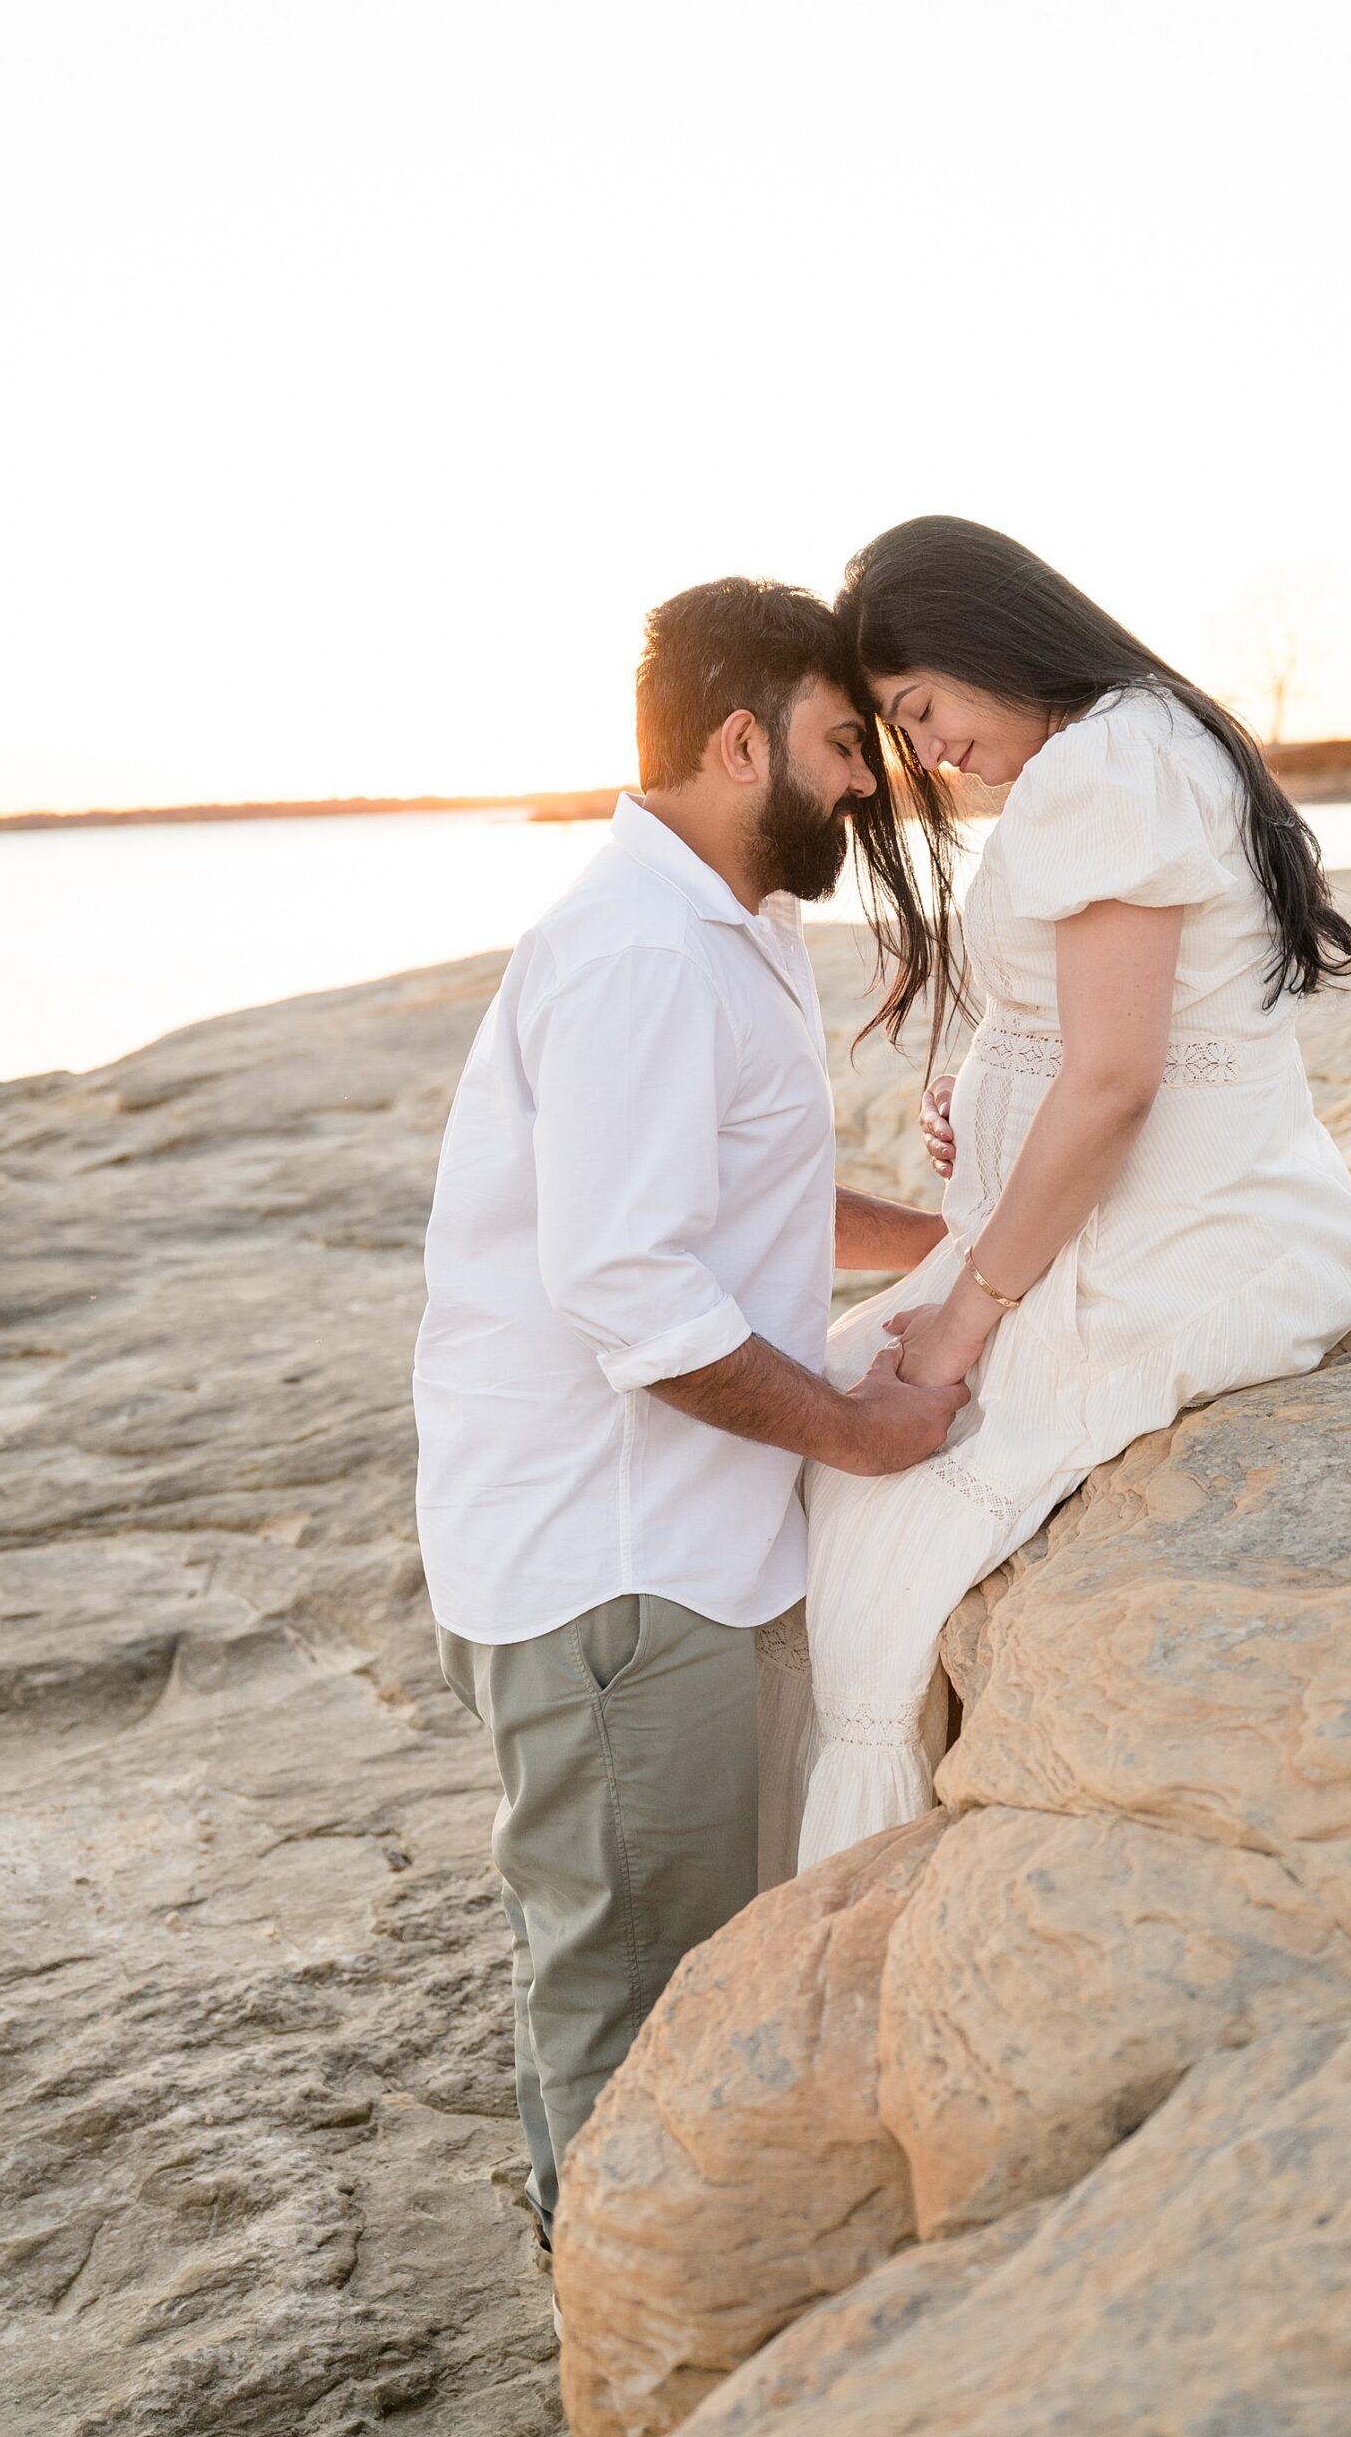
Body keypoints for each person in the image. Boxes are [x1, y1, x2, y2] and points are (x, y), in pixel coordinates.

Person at [412, 577, 965, 2265]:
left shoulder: (729, 924)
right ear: (741, 741)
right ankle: (622, 2312)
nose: (867, 781)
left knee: (674, 1943)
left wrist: (958, 1243)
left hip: (687, 1546)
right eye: (837, 745)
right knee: (627, 1975)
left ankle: (620, 2256)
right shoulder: (643, 955)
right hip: (614, 1571)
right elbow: (634, 1294)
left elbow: (748, 1205)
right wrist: (861, 1437)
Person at [759, 516, 1351, 1878]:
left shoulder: (1112, 761)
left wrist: (961, 1318)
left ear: (983, 643)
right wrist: (999, 1088)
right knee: (820, 1405)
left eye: (921, 708)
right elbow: (1098, 1041)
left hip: (1176, 1244)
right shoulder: (1129, 744)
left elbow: (1115, 1084)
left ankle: (854, 1885)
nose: (926, 752)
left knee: (877, 1519)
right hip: (1118, 1221)